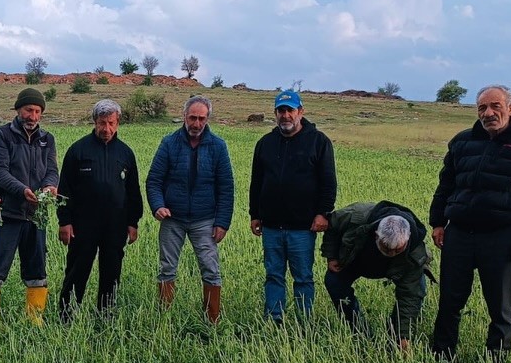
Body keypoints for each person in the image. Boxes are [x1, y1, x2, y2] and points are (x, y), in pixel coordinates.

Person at [429, 84, 511, 363]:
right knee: (450, 301)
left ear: (510, 108)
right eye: (482, 108)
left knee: (500, 307)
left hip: (503, 236)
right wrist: (438, 222)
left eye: (495, 106)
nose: (488, 113)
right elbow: (446, 185)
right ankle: (441, 357)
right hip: (459, 233)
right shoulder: (462, 142)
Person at [248, 90, 336, 324]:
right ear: (275, 113)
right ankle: (274, 319)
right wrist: (255, 214)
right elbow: (256, 182)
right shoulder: (265, 143)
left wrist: (322, 213)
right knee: (274, 275)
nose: (285, 115)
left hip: (303, 226)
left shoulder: (319, 142)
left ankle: (303, 321)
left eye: (290, 110)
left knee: (303, 276)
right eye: (281, 111)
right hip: (271, 226)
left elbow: (329, 183)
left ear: (300, 112)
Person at [145, 95, 234, 323]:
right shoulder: (169, 143)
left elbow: (226, 188)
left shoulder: (218, 147)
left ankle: (211, 320)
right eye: (192, 117)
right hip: (172, 218)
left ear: (208, 119)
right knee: (167, 268)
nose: (196, 124)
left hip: (205, 219)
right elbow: (154, 180)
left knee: (211, 269)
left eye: (201, 118)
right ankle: (164, 319)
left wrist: (222, 222)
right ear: (184, 116)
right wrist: (158, 206)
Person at [0, 87, 60, 332]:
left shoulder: (47, 139)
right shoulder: (2, 135)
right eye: (28, 110)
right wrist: (23, 190)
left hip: (37, 216)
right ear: (18, 109)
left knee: (37, 270)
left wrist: (50, 187)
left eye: (37, 111)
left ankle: (34, 322)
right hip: (8, 214)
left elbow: (52, 170)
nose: (33, 116)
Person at [56, 99, 144, 320]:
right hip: (83, 225)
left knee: (111, 272)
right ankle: (67, 316)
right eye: (102, 123)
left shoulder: (125, 153)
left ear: (118, 122)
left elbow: (133, 191)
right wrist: (64, 222)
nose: (107, 129)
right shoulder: (78, 151)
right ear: (94, 122)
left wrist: (133, 222)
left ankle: (106, 316)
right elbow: (64, 190)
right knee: (77, 270)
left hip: (115, 225)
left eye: (112, 123)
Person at [321, 201, 432, 352]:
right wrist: (331, 256)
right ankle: (359, 330)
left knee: (416, 290)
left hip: (398, 268)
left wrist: (403, 336)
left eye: (397, 249)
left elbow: (409, 296)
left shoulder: (414, 254)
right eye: (386, 248)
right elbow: (331, 225)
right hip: (355, 259)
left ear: (408, 239)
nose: (391, 253)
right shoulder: (356, 216)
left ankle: (395, 337)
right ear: (376, 235)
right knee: (333, 281)